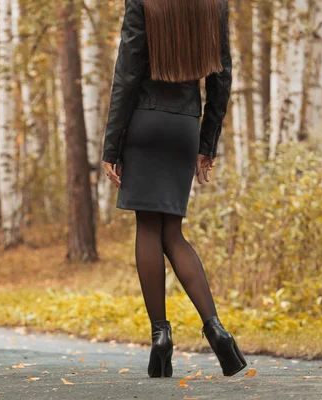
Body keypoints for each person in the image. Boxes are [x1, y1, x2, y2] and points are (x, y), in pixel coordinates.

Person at [101, 0, 247, 378]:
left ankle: (161, 337)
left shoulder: (143, 2)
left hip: (145, 123)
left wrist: (111, 145)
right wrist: (206, 142)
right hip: (184, 127)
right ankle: (216, 330)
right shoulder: (213, 5)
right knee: (173, 233)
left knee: (149, 229)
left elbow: (127, 73)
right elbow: (222, 76)